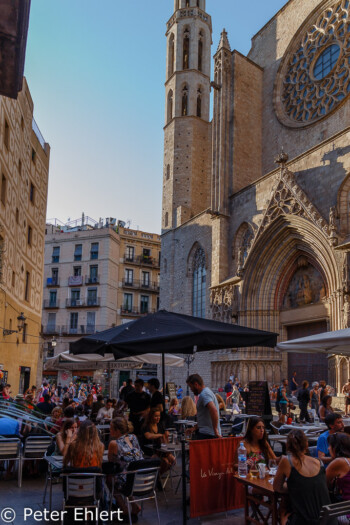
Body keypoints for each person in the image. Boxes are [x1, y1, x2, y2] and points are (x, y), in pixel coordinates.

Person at [273, 429, 336, 525]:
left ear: (287, 445)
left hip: (306, 521)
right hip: (329, 520)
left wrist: (291, 485)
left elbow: (277, 487)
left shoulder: (287, 460)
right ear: (306, 445)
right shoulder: (319, 462)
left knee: (283, 507)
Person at [108, 417, 143, 520]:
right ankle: (134, 506)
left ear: (117, 431)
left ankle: (124, 509)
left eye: (111, 428)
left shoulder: (114, 444)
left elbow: (111, 464)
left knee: (110, 479)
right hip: (142, 479)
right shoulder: (134, 437)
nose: (109, 430)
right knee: (126, 475)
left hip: (130, 481)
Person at [186, 374, 221, 439]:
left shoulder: (205, 394)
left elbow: (214, 410)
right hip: (207, 433)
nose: (191, 389)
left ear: (196, 385)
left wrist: (215, 431)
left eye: (191, 387)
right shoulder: (206, 392)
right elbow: (204, 419)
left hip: (207, 435)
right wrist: (194, 428)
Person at [141, 408, 175, 474]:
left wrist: (165, 435)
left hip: (160, 451)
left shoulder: (160, 425)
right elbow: (148, 436)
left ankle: (157, 475)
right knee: (165, 462)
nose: (158, 418)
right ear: (151, 417)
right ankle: (156, 478)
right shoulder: (146, 426)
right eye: (156, 416)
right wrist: (160, 435)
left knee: (173, 460)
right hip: (149, 452)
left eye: (159, 416)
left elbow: (165, 441)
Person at [326, 432, 350, 503]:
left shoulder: (340, 462)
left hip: (346, 508)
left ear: (336, 447)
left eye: (330, 446)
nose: (328, 448)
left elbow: (322, 482)